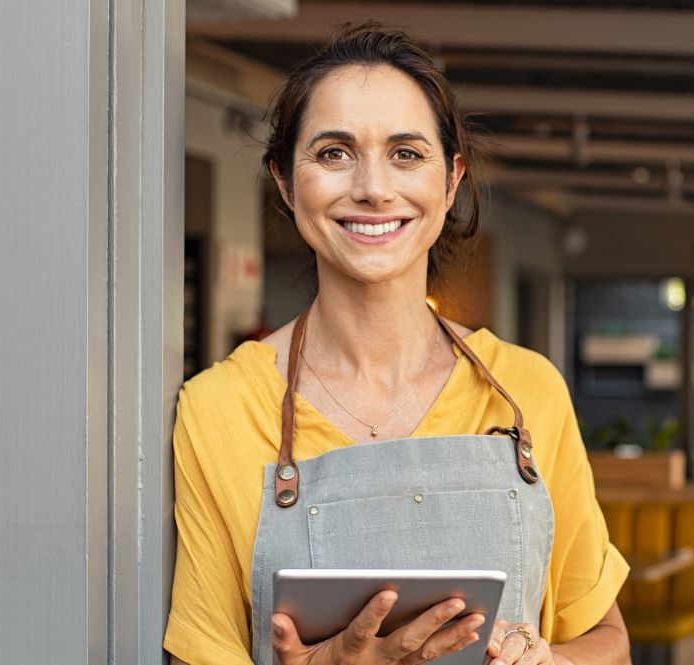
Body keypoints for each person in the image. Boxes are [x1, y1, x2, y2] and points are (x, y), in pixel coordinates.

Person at [164, 23, 629, 665]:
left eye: (406, 153)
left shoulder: (528, 390)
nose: (374, 188)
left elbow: (607, 642)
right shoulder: (219, 409)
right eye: (333, 153)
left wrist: (551, 662)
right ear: (283, 180)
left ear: (450, 180)